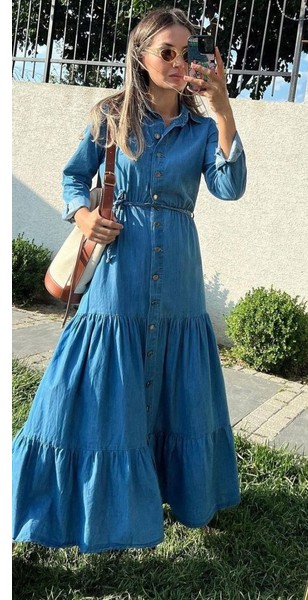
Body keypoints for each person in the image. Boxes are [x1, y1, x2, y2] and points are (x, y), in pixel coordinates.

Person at [12, 7, 247, 553]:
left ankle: (173, 490)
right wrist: (82, 216)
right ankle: (66, 498)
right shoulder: (111, 116)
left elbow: (229, 187)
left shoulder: (201, 127)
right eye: (166, 52)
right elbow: (75, 176)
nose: (178, 62)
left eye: (186, 53)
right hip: (119, 273)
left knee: (175, 381)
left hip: (179, 274)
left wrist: (224, 112)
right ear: (141, 57)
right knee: (92, 380)